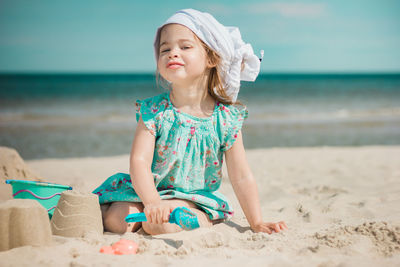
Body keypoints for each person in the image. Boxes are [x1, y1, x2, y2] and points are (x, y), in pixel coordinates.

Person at [93, 9, 288, 236]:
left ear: (211, 58)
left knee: (162, 223)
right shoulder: (154, 111)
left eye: (185, 47)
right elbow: (139, 161)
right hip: (148, 192)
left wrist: (257, 222)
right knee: (119, 220)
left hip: (192, 200)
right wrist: (153, 201)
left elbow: (241, 175)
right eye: (165, 49)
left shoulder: (226, 119)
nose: (172, 53)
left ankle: (199, 221)